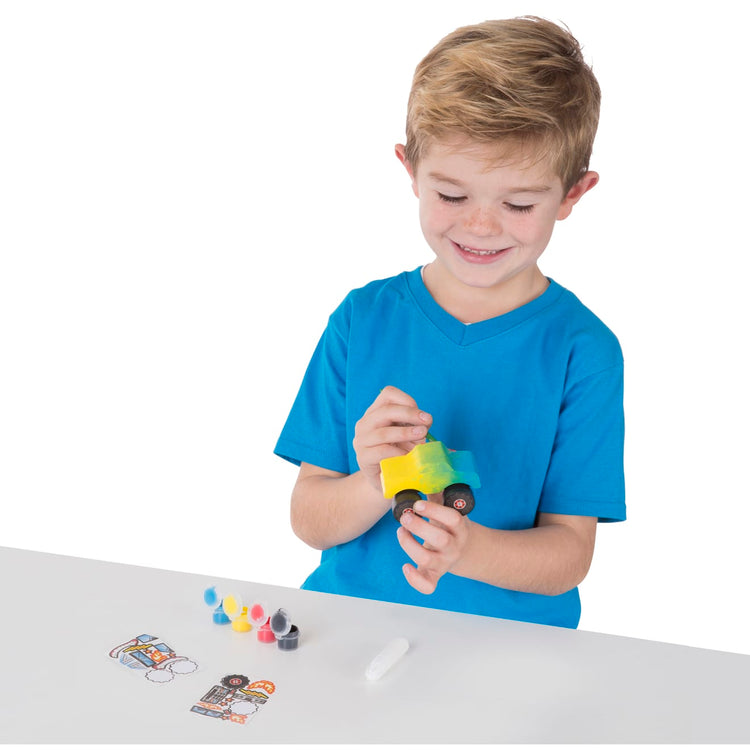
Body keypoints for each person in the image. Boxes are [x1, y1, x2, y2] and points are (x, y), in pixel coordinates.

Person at [274, 16, 625, 629]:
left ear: (573, 193)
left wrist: (469, 550)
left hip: (507, 650)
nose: (480, 226)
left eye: (518, 203)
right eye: (452, 196)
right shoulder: (362, 319)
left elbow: (570, 554)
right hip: (349, 630)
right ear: (410, 170)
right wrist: (373, 482)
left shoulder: (582, 350)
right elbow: (310, 518)